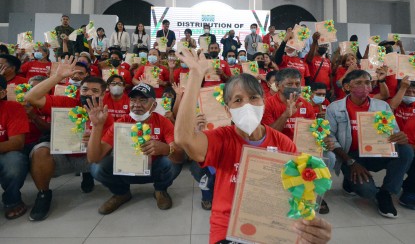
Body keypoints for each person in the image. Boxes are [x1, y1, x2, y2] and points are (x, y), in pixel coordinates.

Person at [173, 49, 332, 244]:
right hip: (228, 228)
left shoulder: (283, 143)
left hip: (271, 225)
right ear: (227, 110)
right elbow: (183, 138)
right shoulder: (221, 138)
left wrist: (309, 228)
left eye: (254, 98)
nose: (247, 105)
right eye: (238, 100)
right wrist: (196, 76)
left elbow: (295, 192)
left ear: (264, 102)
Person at [24, 56, 114, 221]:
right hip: (63, 155)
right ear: (79, 90)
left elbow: (106, 147)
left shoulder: (105, 114)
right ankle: (43, 194)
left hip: (91, 158)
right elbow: (30, 98)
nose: (88, 93)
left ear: (103, 94)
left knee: (114, 151)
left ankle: (110, 186)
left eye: (95, 91)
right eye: (85, 89)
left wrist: (95, 139)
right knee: (40, 151)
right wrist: (57, 77)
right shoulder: (65, 102)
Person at [85, 83, 184, 214]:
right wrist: (97, 126)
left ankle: (160, 190)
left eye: (143, 100)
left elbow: (180, 157)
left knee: (172, 163)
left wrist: (166, 149)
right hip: (125, 170)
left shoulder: (163, 122)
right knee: (97, 168)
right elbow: (93, 158)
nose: (136, 104)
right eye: (133, 100)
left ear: (153, 105)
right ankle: (121, 193)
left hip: (154, 169)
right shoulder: (121, 122)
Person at [326, 70, 413, 218]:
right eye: (358, 83)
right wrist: (351, 162)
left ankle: (386, 192)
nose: (364, 86)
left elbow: (393, 132)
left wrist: (399, 137)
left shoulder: (382, 106)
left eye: (367, 82)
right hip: (350, 156)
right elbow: (330, 137)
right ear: (347, 87)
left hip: (377, 152)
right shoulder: (335, 108)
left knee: (406, 150)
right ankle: (350, 181)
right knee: (367, 192)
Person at [0, 75, 30, 219]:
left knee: (15, 162)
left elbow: (17, 143)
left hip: (7, 152)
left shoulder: (13, 108)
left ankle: (12, 200)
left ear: (3, 93)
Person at [261, 68, 315, 139]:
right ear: (277, 85)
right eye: (290, 84)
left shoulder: (306, 105)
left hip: (299, 147)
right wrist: (285, 115)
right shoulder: (267, 104)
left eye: (297, 84)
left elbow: (311, 134)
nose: (294, 87)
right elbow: (268, 135)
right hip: (276, 147)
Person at [306, 32, 333, 97]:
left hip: (326, 91)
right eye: (321, 45)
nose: (323, 47)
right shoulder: (311, 57)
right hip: (315, 90)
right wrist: (315, 42)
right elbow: (309, 58)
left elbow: (330, 75)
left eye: (325, 45)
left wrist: (333, 88)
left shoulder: (327, 61)